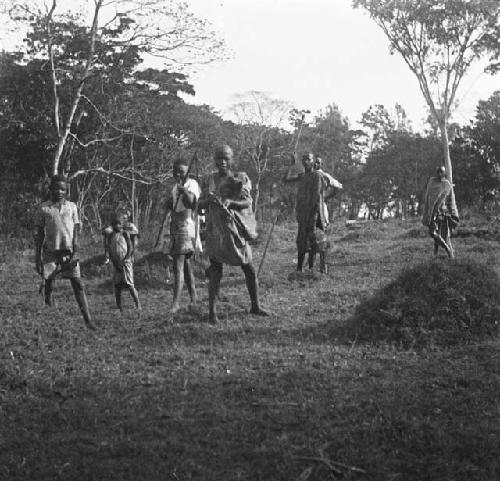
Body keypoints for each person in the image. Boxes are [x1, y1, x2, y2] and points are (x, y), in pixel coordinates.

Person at [199, 144, 268, 324]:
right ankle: (212, 313)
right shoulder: (209, 181)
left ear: (231, 160)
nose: (222, 161)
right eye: (219, 158)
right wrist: (209, 200)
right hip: (216, 232)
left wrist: (230, 202)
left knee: (249, 268)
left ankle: (255, 305)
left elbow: (247, 202)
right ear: (215, 160)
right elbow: (198, 205)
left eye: (226, 158)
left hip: (235, 230)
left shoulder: (239, 178)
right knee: (215, 271)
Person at [34, 174, 95, 329]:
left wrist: (76, 250)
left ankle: (88, 320)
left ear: (67, 191)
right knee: (49, 284)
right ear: (51, 189)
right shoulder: (44, 208)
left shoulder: (72, 207)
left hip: (69, 253)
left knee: (78, 285)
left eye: (63, 189)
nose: (59, 192)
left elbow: (75, 230)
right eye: (56, 188)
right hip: (50, 253)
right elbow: (40, 234)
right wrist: (37, 257)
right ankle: (50, 315)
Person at [165, 159, 201, 314]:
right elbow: (171, 206)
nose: (178, 174)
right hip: (175, 226)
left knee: (177, 266)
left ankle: (176, 303)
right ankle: (194, 299)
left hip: (185, 226)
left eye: (182, 171)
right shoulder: (174, 187)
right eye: (176, 171)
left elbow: (193, 203)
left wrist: (184, 191)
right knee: (185, 266)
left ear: (187, 172)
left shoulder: (191, 184)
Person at [284, 152, 329, 273]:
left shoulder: (317, 176)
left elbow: (315, 197)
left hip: (314, 215)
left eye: (308, 159)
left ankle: (319, 266)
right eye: (303, 159)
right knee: (301, 241)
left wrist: (311, 216)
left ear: (313, 161)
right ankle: (299, 269)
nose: (305, 162)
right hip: (302, 215)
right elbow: (286, 180)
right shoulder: (303, 176)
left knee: (315, 241)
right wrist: (291, 165)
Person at [422, 166, 459, 258]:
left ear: (444, 173)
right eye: (438, 172)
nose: (439, 174)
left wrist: (452, 213)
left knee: (434, 233)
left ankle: (448, 250)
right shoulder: (432, 182)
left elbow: (450, 201)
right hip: (432, 212)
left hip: (441, 213)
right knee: (435, 233)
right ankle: (436, 255)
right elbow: (428, 197)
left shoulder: (446, 184)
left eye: (441, 172)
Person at [106, 214, 141, 311]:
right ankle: (119, 307)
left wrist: (125, 259)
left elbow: (130, 248)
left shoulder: (125, 234)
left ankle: (138, 305)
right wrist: (114, 261)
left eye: (119, 224)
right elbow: (110, 249)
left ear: (122, 225)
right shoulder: (111, 236)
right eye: (115, 224)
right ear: (112, 225)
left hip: (126, 262)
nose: (117, 226)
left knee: (130, 284)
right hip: (116, 263)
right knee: (117, 286)